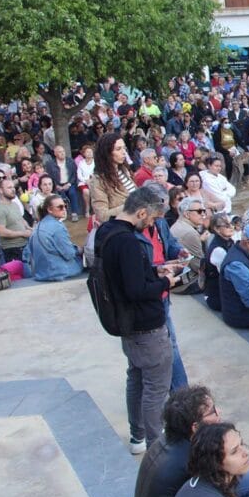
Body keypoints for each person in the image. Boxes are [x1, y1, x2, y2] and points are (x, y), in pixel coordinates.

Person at [96, 185, 181, 452]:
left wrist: (154, 272)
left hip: (126, 322)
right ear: (142, 212)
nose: (152, 224)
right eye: (153, 219)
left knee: (136, 378)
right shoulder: (129, 242)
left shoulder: (106, 231)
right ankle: (158, 448)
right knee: (156, 387)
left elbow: (127, 277)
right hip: (145, 324)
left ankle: (138, 436)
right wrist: (166, 281)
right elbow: (136, 290)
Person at [25, 194, 84, 281]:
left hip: (41, 273)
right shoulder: (57, 227)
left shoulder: (38, 225)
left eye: (65, 206)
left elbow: (27, 253)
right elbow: (69, 254)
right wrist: (79, 250)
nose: (64, 209)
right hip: (59, 272)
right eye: (60, 207)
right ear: (49, 209)